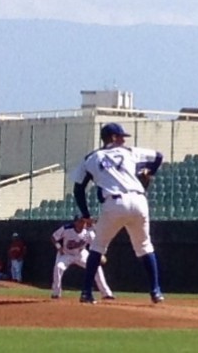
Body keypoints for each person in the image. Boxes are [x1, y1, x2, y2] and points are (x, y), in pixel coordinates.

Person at [70, 122, 164, 304]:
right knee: (145, 246)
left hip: (114, 203)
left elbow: (78, 188)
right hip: (139, 201)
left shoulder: (91, 158)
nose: (123, 140)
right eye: (121, 137)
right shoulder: (130, 152)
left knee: (97, 247)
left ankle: (86, 292)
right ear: (113, 137)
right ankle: (156, 291)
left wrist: (86, 214)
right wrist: (148, 172)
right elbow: (158, 156)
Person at [50, 216, 114, 300]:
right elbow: (53, 237)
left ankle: (106, 293)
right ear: (75, 222)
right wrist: (59, 247)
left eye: (84, 222)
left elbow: (95, 245)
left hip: (81, 253)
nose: (83, 224)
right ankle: (56, 293)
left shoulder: (88, 232)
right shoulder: (66, 228)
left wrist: (100, 255)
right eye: (81, 221)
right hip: (66, 254)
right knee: (58, 267)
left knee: (96, 266)